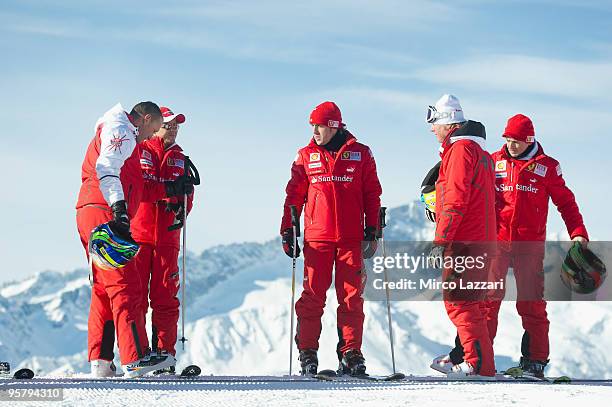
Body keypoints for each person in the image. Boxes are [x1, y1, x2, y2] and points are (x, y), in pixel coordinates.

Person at [280, 101, 382, 376]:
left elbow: (372, 193)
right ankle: (307, 352)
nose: (315, 130)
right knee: (313, 296)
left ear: (334, 127)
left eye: (320, 126)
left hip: (351, 238)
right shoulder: (305, 155)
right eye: (312, 125)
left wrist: (373, 228)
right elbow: (294, 195)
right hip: (317, 239)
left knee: (351, 298)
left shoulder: (361, 154)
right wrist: (288, 229)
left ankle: (350, 353)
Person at [76, 102, 176, 378]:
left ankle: (101, 361)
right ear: (144, 119)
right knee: (126, 285)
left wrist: (167, 189)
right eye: (153, 129)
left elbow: (136, 184)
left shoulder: (123, 133)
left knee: (104, 288)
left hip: (94, 211)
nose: (149, 137)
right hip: (104, 213)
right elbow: (107, 167)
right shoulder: (120, 130)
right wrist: (119, 210)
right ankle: (135, 359)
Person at [484, 114, 589, 378]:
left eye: (517, 141)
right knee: (487, 300)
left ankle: (535, 361)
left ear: (529, 140)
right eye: (507, 139)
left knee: (531, 303)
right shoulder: (493, 161)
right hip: (496, 242)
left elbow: (566, 203)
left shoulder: (547, 167)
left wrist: (578, 233)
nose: (511, 145)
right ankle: (481, 359)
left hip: (528, 246)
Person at [425, 94, 497, 379]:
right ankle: (475, 361)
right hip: (482, 239)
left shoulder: (460, 151)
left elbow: (456, 199)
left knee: (460, 301)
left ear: (447, 122)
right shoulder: (480, 153)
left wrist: (441, 241)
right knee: (472, 302)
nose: (432, 129)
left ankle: (478, 364)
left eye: (434, 123)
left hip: (465, 241)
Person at [131, 106, 195, 374]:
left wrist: (183, 205)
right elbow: (137, 190)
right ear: (155, 125)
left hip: (168, 239)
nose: (173, 129)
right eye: (168, 124)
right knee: (134, 298)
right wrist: (165, 191)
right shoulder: (139, 151)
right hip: (138, 236)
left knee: (166, 298)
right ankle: (136, 355)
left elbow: (187, 197)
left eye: (177, 125)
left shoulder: (181, 158)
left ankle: (164, 357)